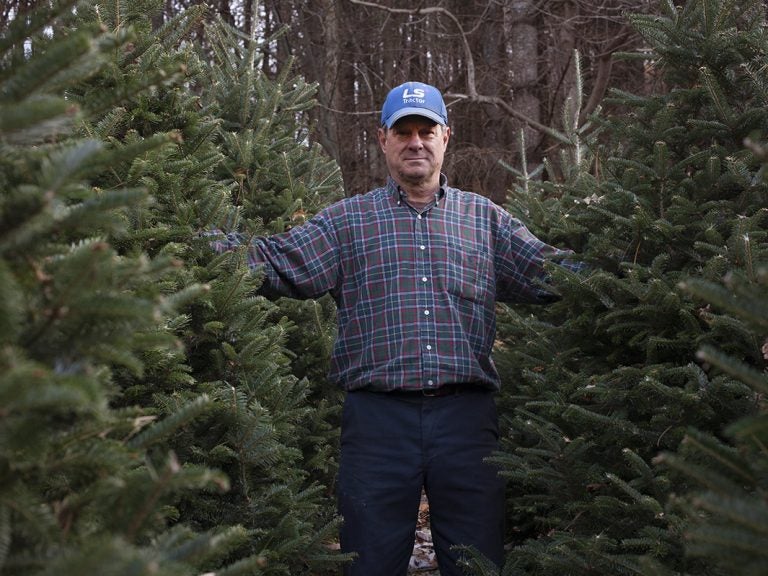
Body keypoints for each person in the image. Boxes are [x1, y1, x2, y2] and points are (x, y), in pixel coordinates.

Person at [210, 81, 580, 576]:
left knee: (477, 562)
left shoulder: (484, 220)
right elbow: (277, 263)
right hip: (377, 425)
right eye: (402, 131)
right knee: (369, 562)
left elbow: (553, 274)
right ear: (382, 139)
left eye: (426, 130)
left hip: (467, 423)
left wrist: (631, 266)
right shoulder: (349, 222)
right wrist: (194, 241)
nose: (415, 142)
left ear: (446, 136)